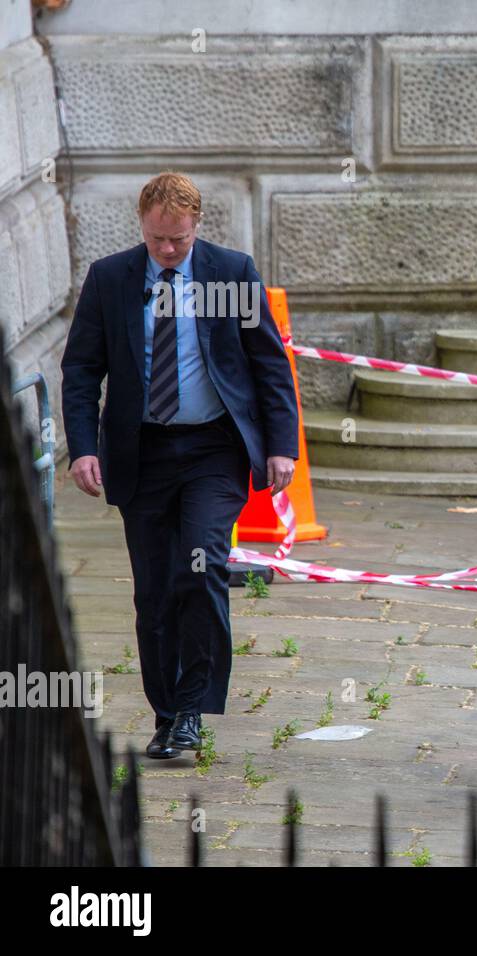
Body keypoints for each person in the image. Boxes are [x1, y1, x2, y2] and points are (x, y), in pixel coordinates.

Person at [61, 171, 299, 760]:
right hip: (140, 453)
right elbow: (82, 369)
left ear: (197, 225)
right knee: (155, 591)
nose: (168, 250)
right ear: (142, 224)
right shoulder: (110, 277)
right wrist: (84, 446)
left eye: (179, 240)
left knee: (201, 569)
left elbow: (269, 364)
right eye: (157, 239)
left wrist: (281, 445)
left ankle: (192, 708)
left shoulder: (232, 271)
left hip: (213, 450)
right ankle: (166, 714)